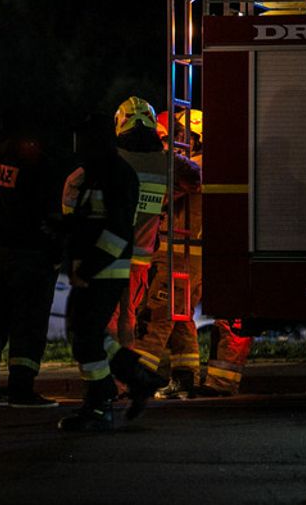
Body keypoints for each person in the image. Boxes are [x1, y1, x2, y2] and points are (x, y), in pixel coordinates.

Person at [58, 113, 168, 432]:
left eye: (83, 140)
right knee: (89, 334)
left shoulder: (116, 174)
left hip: (105, 269)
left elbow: (118, 230)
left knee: (86, 337)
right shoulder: (96, 173)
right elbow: (89, 221)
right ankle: (137, 378)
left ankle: (100, 404)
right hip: (96, 268)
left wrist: (89, 266)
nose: (78, 147)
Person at [0, 123, 62, 408]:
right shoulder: (36, 163)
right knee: (28, 325)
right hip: (30, 257)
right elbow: (46, 215)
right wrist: (54, 252)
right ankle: (21, 389)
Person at [134, 108, 205, 398]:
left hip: (183, 255)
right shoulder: (190, 164)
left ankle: (136, 379)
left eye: (174, 136)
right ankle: (184, 378)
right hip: (183, 254)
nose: (168, 144)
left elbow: (161, 193)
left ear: (194, 138)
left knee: (157, 316)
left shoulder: (195, 165)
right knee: (180, 318)